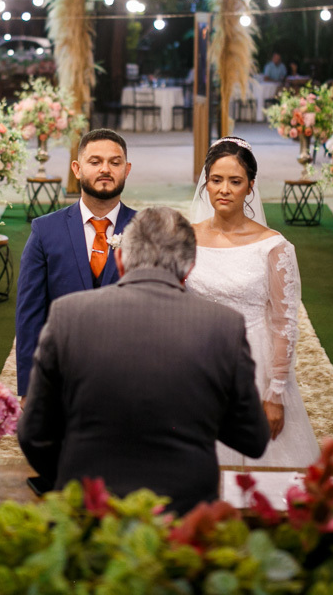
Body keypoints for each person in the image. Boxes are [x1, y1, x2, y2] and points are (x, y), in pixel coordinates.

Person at [19, 207, 270, 513]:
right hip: (183, 516)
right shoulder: (224, 326)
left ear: (120, 261)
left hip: (89, 513)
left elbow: (34, 434)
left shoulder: (66, 315)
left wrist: (74, 481)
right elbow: (253, 438)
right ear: (189, 268)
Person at [188, 137, 320, 468]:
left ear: (250, 187)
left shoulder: (273, 246)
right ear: (206, 183)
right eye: (216, 180)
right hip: (198, 361)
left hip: (253, 361)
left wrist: (276, 392)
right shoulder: (185, 237)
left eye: (235, 181)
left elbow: (285, 323)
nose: (224, 189)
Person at [15, 129, 136, 397]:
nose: (105, 169)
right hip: (61, 376)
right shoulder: (45, 231)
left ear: (126, 170)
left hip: (128, 376)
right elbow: (29, 316)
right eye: (95, 162)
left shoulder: (145, 230)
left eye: (114, 163)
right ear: (77, 169)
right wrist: (28, 387)